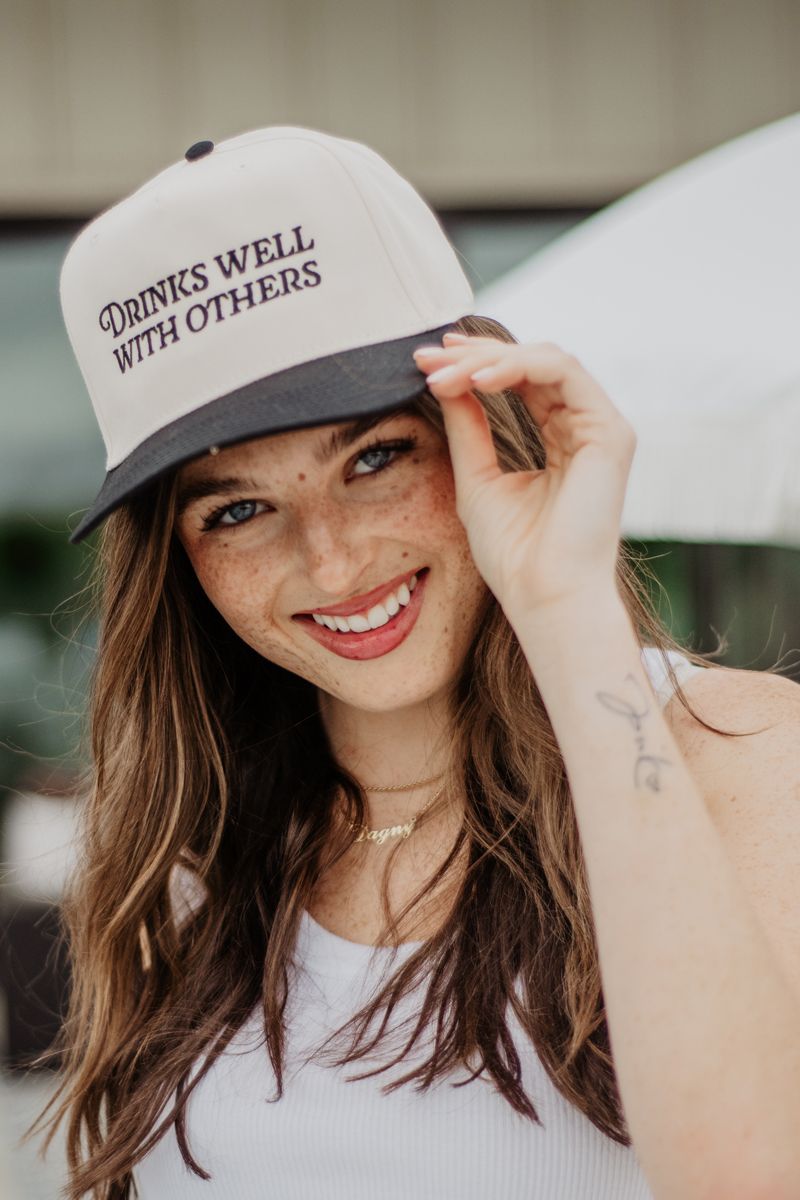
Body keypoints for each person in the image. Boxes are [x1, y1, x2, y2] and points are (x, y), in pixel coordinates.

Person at [28, 127, 800, 1200]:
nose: (333, 562)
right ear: (177, 562)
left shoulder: (739, 754)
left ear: (487, 417)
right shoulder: (198, 847)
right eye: (239, 509)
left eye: (376, 456)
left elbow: (749, 1175)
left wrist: (564, 602)